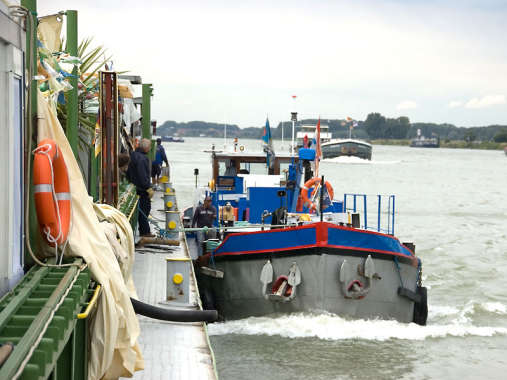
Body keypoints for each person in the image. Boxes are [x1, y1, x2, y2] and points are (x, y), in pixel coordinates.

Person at [126, 138, 155, 237]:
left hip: (135, 187)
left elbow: (129, 173)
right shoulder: (142, 159)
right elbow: (143, 175)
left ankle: (143, 229)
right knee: (145, 209)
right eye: (149, 147)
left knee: (141, 210)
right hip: (142, 189)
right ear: (146, 148)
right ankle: (145, 232)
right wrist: (148, 187)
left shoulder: (133, 155)